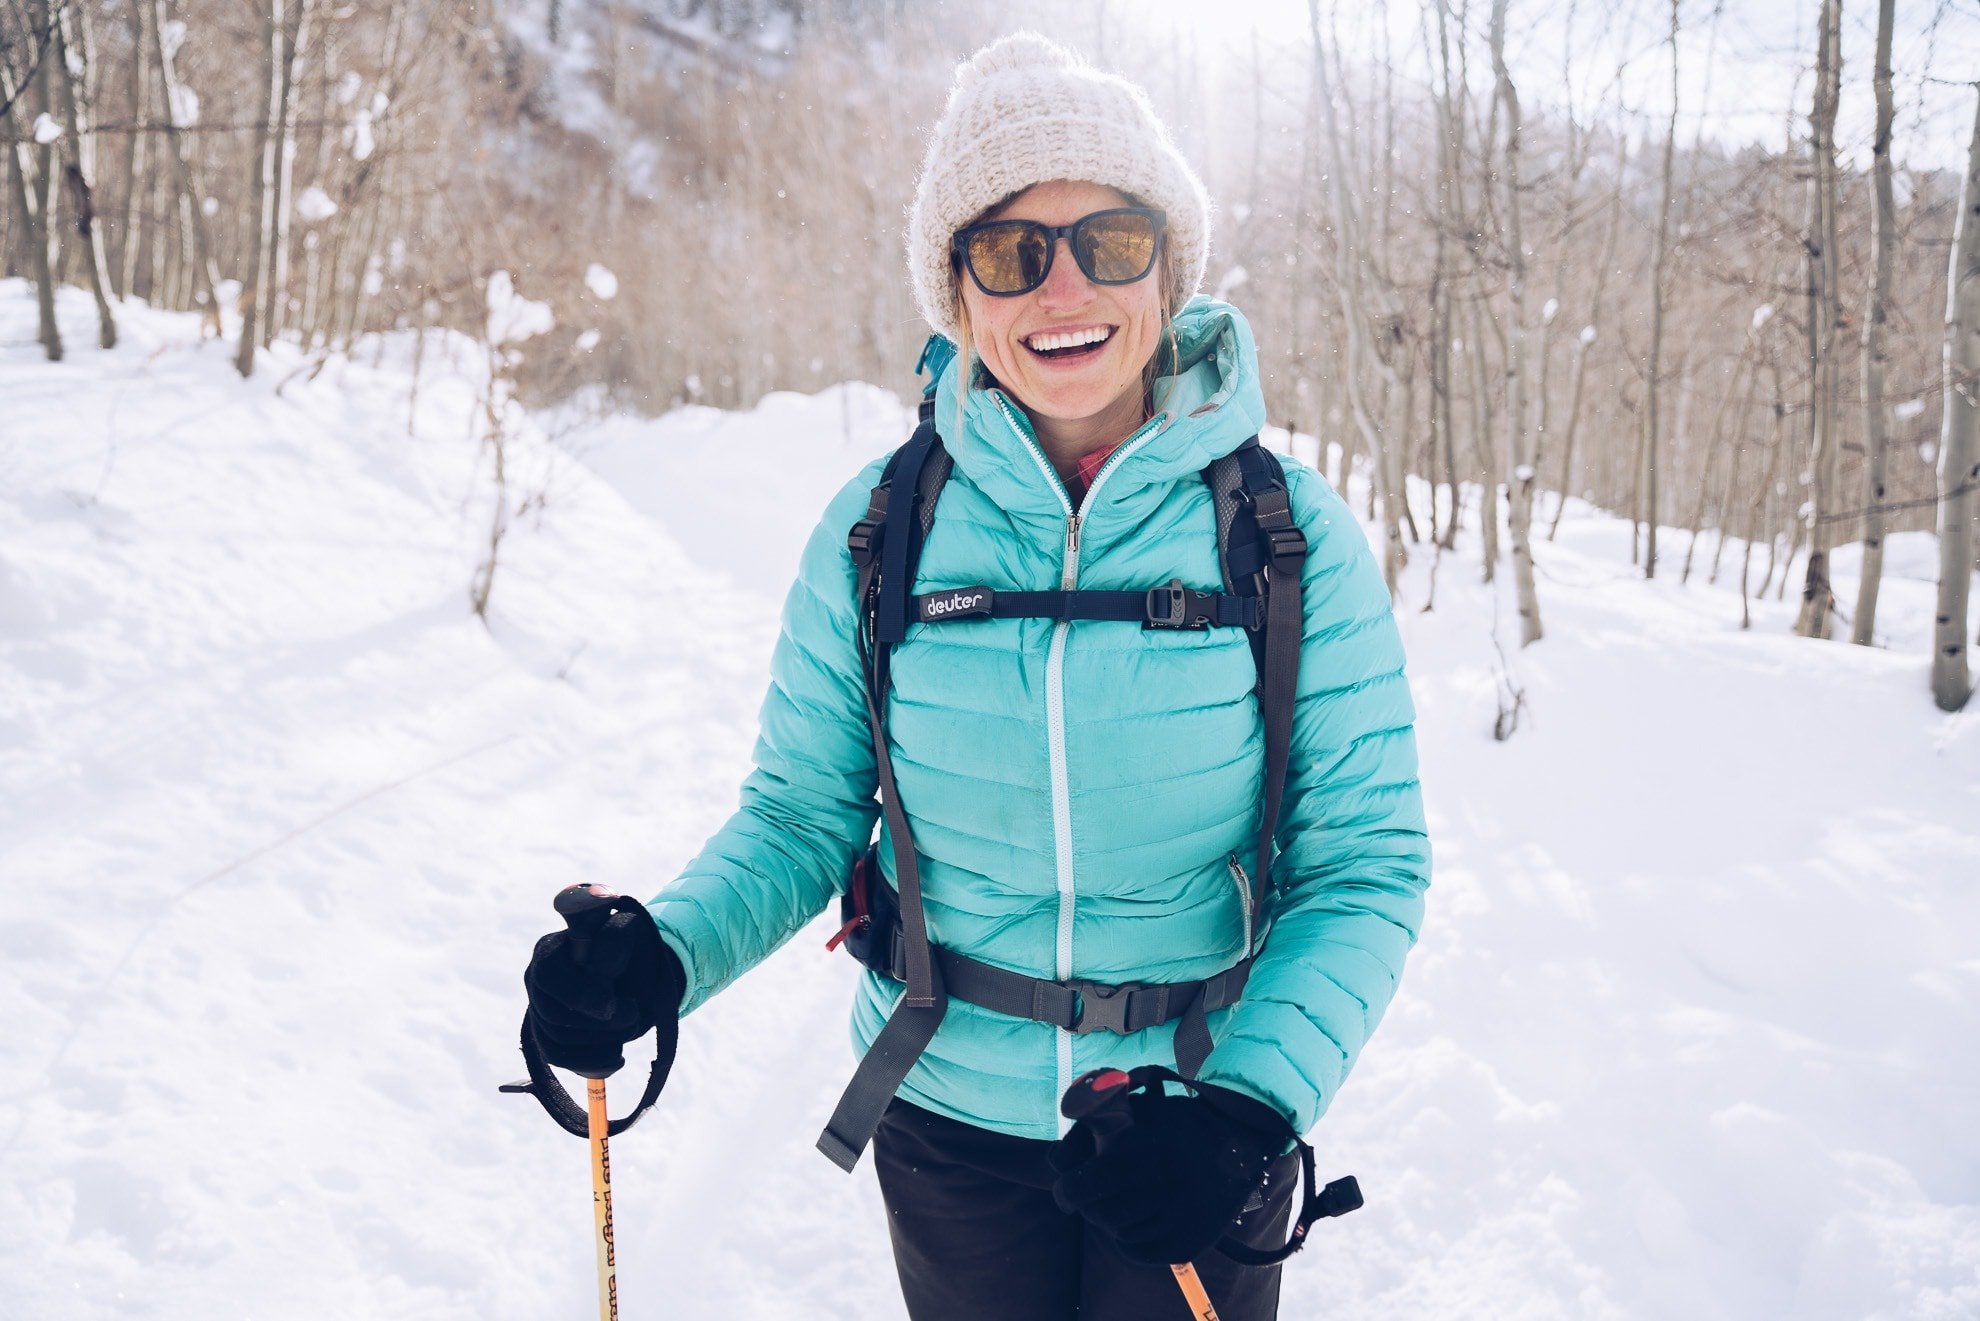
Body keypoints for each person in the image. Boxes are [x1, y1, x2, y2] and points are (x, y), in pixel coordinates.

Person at [521, 32, 1430, 1321]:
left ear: (1170, 268)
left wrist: (1249, 1108)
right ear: (956, 294)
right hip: (949, 1117)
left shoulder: (1283, 533)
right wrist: (662, 958)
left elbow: (1362, 865)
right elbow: (802, 814)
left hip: (1193, 1117)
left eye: (1110, 241)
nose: (1063, 289)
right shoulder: (879, 526)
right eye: (1010, 252)